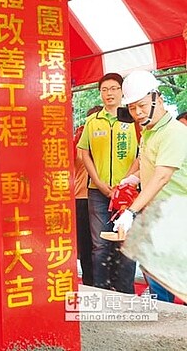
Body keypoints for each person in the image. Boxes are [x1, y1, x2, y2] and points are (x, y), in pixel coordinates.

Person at [113, 70, 187, 302]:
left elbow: (162, 176)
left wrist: (131, 211)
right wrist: (134, 178)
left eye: (142, 106)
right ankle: (161, 321)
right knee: (157, 276)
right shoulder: (149, 133)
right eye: (133, 108)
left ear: (158, 97)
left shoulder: (174, 132)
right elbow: (149, 165)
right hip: (157, 214)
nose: (138, 113)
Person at [77, 73, 139, 294]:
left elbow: (142, 153)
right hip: (97, 192)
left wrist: (124, 184)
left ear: (122, 92)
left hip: (129, 194)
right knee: (100, 244)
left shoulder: (133, 118)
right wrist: (99, 183)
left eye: (113, 88)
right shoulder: (92, 121)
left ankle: (125, 293)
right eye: (104, 90)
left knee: (126, 243)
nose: (109, 93)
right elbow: (85, 153)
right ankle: (100, 291)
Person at [74, 105, 102, 287]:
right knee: (86, 245)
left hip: (105, 197)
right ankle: (90, 283)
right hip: (82, 198)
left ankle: (105, 283)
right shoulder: (78, 142)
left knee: (103, 245)